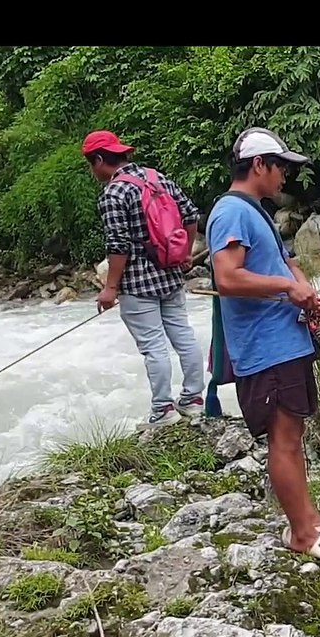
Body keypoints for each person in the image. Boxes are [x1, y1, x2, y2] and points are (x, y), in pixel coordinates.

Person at [206, 127, 320, 565]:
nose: (286, 176)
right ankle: (303, 535)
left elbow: (285, 263)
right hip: (266, 347)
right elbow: (228, 278)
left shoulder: (255, 211)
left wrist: (304, 289)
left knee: (293, 433)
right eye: (281, 167)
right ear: (258, 165)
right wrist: (287, 290)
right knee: (284, 438)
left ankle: (306, 517)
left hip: (284, 342)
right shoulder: (231, 212)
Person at [83, 130, 207, 429]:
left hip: (138, 285)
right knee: (184, 336)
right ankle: (192, 400)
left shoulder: (114, 193)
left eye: (91, 164)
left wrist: (110, 288)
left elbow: (118, 244)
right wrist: (185, 253)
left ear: (99, 160)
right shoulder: (156, 178)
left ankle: (163, 408)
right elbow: (190, 215)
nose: (92, 171)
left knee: (154, 347)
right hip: (171, 275)